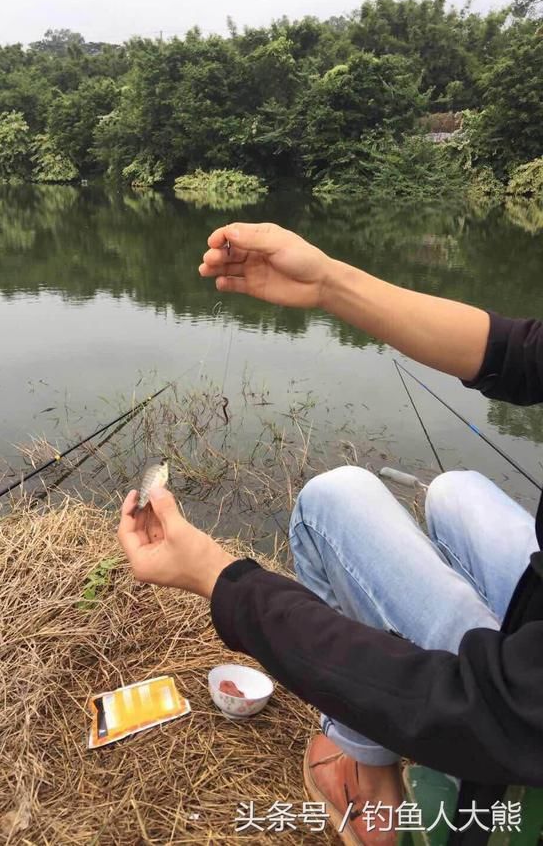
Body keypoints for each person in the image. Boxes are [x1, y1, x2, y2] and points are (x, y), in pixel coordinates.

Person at [117, 222, 543, 846]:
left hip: (518, 704)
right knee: (456, 492)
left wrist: (221, 577)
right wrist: (328, 282)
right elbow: (518, 351)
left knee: (330, 500)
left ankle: (371, 779)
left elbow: (489, 710)